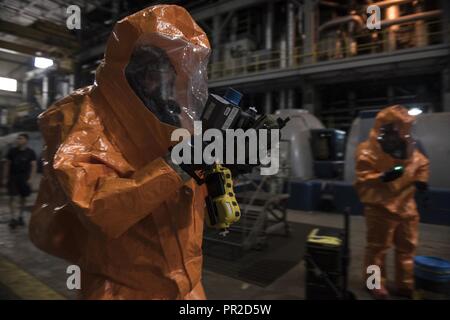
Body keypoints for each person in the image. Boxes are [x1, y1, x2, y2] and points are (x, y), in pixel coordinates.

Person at [29, 5, 210, 299]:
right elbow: (97, 209)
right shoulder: (83, 118)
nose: (156, 76)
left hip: (187, 287)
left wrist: (217, 178)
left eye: (164, 67)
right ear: (126, 65)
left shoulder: (170, 118)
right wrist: (175, 166)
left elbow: (191, 205)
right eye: (147, 65)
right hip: (120, 288)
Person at [354, 105, 429, 299]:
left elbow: (421, 162)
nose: (399, 133)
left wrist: (422, 180)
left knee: (407, 248)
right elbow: (362, 176)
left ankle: (405, 283)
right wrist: (382, 177)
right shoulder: (367, 150)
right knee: (377, 248)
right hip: (380, 207)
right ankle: (374, 283)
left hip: (407, 207)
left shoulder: (410, 146)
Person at [3, 133, 37, 229]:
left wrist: (31, 178)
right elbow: (7, 165)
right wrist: (5, 178)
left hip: (24, 177)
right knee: (12, 197)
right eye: (17, 139)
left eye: (20, 138)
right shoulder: (12, 151)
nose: (18, 140)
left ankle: (20, 217)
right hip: (13, 177)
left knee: (23, 198)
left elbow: (34, 166)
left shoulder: (30, 152)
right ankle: (13, 218)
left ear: (26, 140)